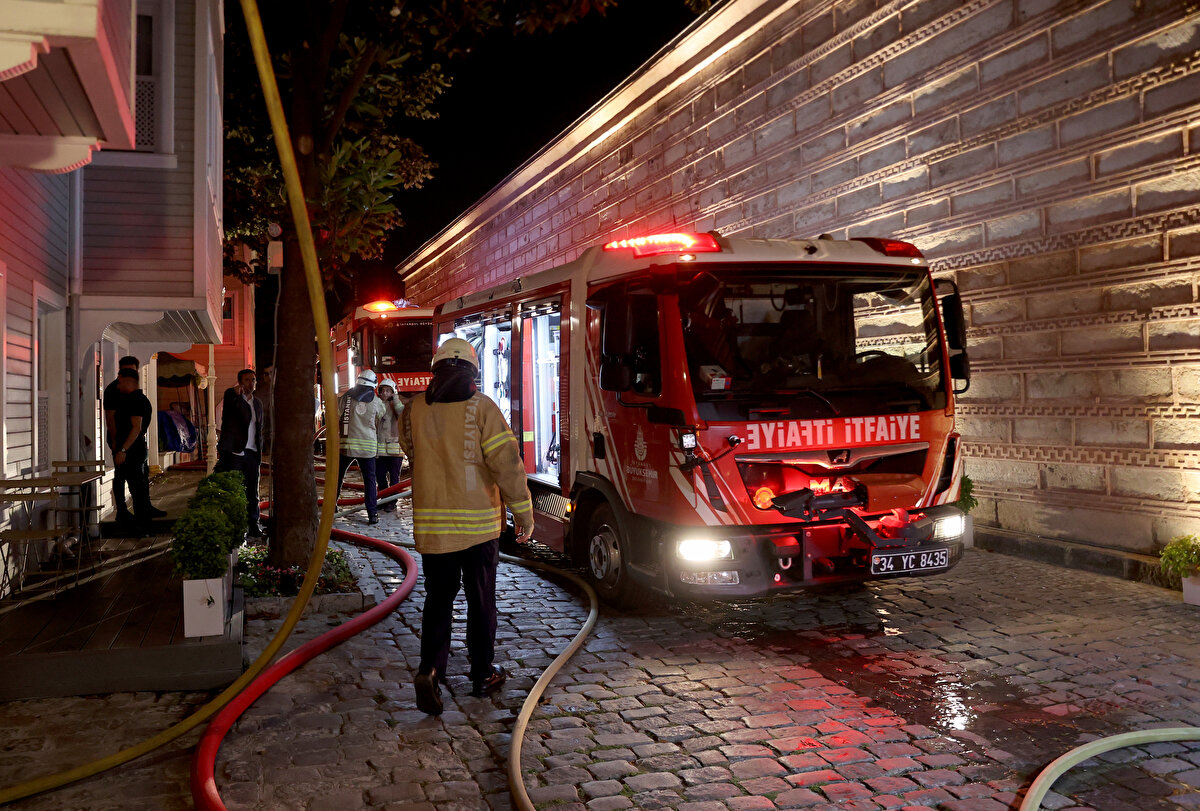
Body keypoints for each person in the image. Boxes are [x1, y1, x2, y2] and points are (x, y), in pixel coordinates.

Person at [400, 338, 533, 715]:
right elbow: (506, 465)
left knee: (438, 601)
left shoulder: (413, 411)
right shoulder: (482, 409)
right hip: (478, 529)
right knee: (480, 601)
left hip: (433, 529)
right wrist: (523, 513)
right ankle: (482, 673)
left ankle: (430, 669)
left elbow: (410, 451)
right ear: (473, 372)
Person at [104, 356, 165, 523]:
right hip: (122, 439)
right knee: (122, 475)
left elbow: (137, 425)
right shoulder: (113, 390)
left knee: (140, 477)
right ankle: (123, 511)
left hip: (135, 440)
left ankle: (144, 509)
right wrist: (118, 444)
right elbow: (110, 418)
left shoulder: (135, 394)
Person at [215, 369, 265, 537]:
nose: (251, 383)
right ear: (240, 382)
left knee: (253, 490)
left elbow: (260, 428)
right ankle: (235, 524)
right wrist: (235, 393)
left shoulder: (257, 403)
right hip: (235, 452)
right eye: (247, 380)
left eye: (253, 380)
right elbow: (229, 402)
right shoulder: (232, 397)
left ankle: (253, 524)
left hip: (252, 452)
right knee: (234, 489)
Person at [335, 369, 387, 525]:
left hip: (347, 446)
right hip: (367, 449)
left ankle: (332, 506)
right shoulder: (377, 401)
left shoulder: (347, 397)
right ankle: (372, 514)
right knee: (370, 481)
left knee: (337, 478)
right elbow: (381, 416)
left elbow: (337, 414)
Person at [111, 369, 155, 531]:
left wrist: (123, 449)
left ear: (130, 381)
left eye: (120, 381)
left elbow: (136, 428)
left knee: (137, 489)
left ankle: (142, 525)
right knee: (133, 485)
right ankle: (127, 516)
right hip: (132, 450)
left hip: (132, 451)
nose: (118, 385)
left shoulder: (136, 401)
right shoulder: (135, 399)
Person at [374, 381, 405, 512]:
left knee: (394, 478)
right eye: (383, 390)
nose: (385, 393)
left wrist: (396, 399)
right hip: (379, 451)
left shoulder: (396, 405)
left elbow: (401, 413)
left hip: (394, 450)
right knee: (380, 476)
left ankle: (392, 502)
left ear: (393, 392)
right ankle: (383, 499)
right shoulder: (376, 404)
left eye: (388, 390)